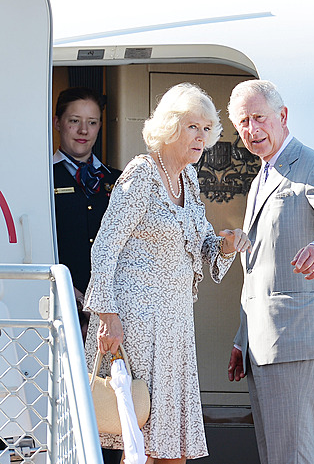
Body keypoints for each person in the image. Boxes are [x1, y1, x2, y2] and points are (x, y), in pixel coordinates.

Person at [84, 82, 251, 464]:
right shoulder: (141, 174)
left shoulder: (188, 179)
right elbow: (105, 247)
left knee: (172, 445)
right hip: (136, 321)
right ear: (171, 126)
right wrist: (107, 317)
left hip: (175, 325)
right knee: (138, 438)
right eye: (194, 127)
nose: (202, 137)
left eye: (208, 129)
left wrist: (225, 243)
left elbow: (202, 243)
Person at [226, 80, 314, 464]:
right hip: (263, 344)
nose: (252, 130)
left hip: (299, 340)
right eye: (243, 123)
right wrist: (242, 338)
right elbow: (257, 270)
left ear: (282, 117)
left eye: (259, 118)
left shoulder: (313, 166)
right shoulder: (261, 179)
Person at [53, 87, 121, 341]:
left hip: (111, 311)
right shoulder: (42, 179)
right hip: (60, 305)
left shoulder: (120, 180)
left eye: (92, 122)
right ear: (57, 123)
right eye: (74, 121)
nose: (84, 131)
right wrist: (69, 291)